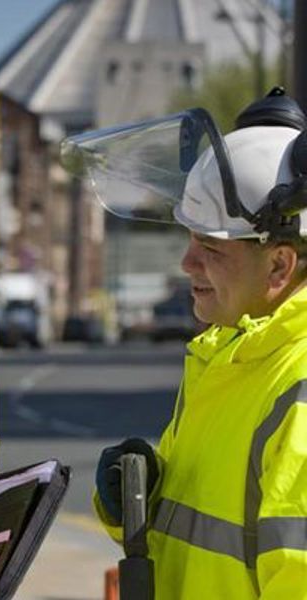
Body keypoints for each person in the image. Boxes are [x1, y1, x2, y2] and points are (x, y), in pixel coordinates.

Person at [63, 88, 307, 598]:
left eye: (210, 246)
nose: (186, 263)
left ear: (280, 266)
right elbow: (200, 537)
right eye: (189, 238)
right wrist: (137, 501)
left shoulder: (295, 389)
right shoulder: (229, 358)